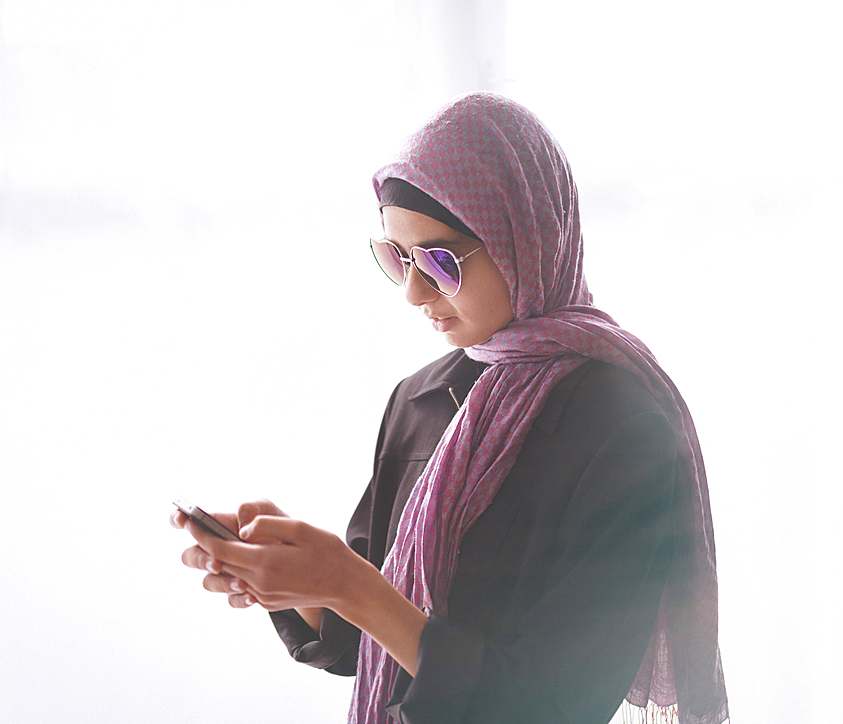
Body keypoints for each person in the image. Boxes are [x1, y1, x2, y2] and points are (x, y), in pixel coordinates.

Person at [170, 92, 729, 724]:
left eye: (439, 260)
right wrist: (294, 573)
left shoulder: (624, 428)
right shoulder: (422, 400)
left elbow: (557, 702)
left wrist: (349, 586)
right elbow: (367, 640)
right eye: (398, 258)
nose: (413, 292)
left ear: (527, 241)